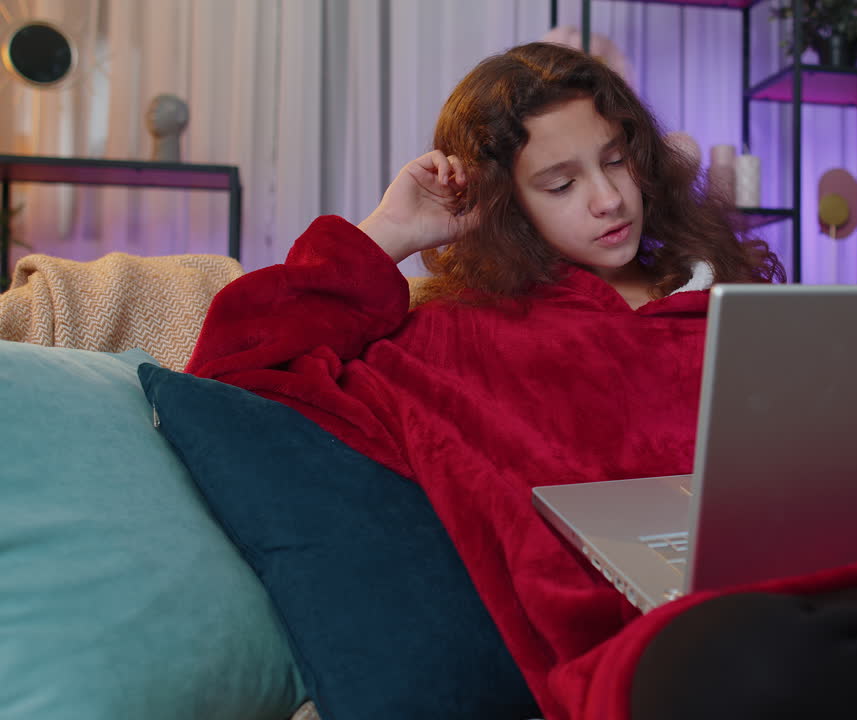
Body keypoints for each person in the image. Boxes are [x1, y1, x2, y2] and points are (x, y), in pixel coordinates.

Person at [187, 41, 780, 719]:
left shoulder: (724, 297)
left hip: (818, 578)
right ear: (508, 203)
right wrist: (389, 233)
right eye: (561, 184)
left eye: (616, 160)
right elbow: (233, 374)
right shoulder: (458, 339)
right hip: (668, 651)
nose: (610, 198)